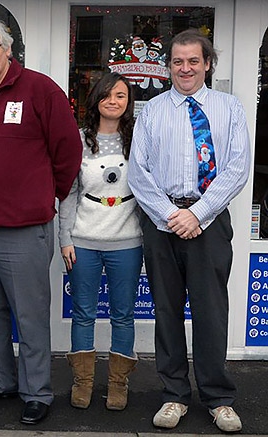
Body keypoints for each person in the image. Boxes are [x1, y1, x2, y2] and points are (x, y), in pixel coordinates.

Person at [0, 18, 82, 425]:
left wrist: (44, 195)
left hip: (25, 228)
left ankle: (36, 391)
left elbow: (68, 152)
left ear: (9, 50)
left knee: (29, 314)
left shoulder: (39, 89)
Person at [128, 29, 250, 433]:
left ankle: (219, 398)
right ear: (169, 67)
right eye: (178, 62)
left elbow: (236, 168)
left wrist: (199, 213)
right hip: (163, 221)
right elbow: (137, 171)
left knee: (211, 311)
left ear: (207, 63)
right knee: (166, 310)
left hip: (210, 222)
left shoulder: (229, 108)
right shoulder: (152, 111)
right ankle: (174, 395)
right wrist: (169, 214)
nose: (185, 68)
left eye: (193, 61)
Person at [58, 72, 142, 411]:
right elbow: (68, 193)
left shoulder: (139, 139)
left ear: (128, 102)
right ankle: (83, 383)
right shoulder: (77, 140)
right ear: (96, 100)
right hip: (84, 240)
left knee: (123, 315)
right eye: (107, 95)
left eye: (121, 96)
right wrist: (65, 237)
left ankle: (118, 385)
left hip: (127, 240)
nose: (113, 101)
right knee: (83, 314)